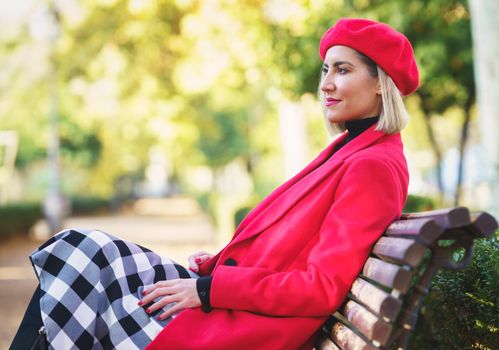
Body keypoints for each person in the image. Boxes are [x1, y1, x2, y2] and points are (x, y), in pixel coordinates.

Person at [11, 17, 419, 350]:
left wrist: (207, 290)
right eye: (326, 69)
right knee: (83, 251)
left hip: (242, 330)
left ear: (381, 84)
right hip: (230, 308)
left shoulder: (373, 166)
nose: (326, 83)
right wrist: (211, 268)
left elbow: (321, 287)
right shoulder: (353, 149)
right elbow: (289, 250)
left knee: (79, 264)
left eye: (343, 70)